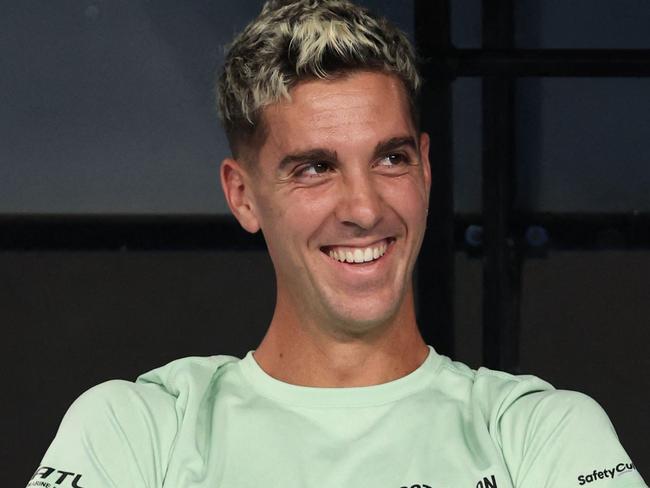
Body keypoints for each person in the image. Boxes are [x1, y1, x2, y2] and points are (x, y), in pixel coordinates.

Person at [28, 1, 645, 487]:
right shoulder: (140, 429)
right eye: (314, 168)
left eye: (391, 158)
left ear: (426, 170)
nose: (364, 207)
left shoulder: (539, 432)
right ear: (242, 195)